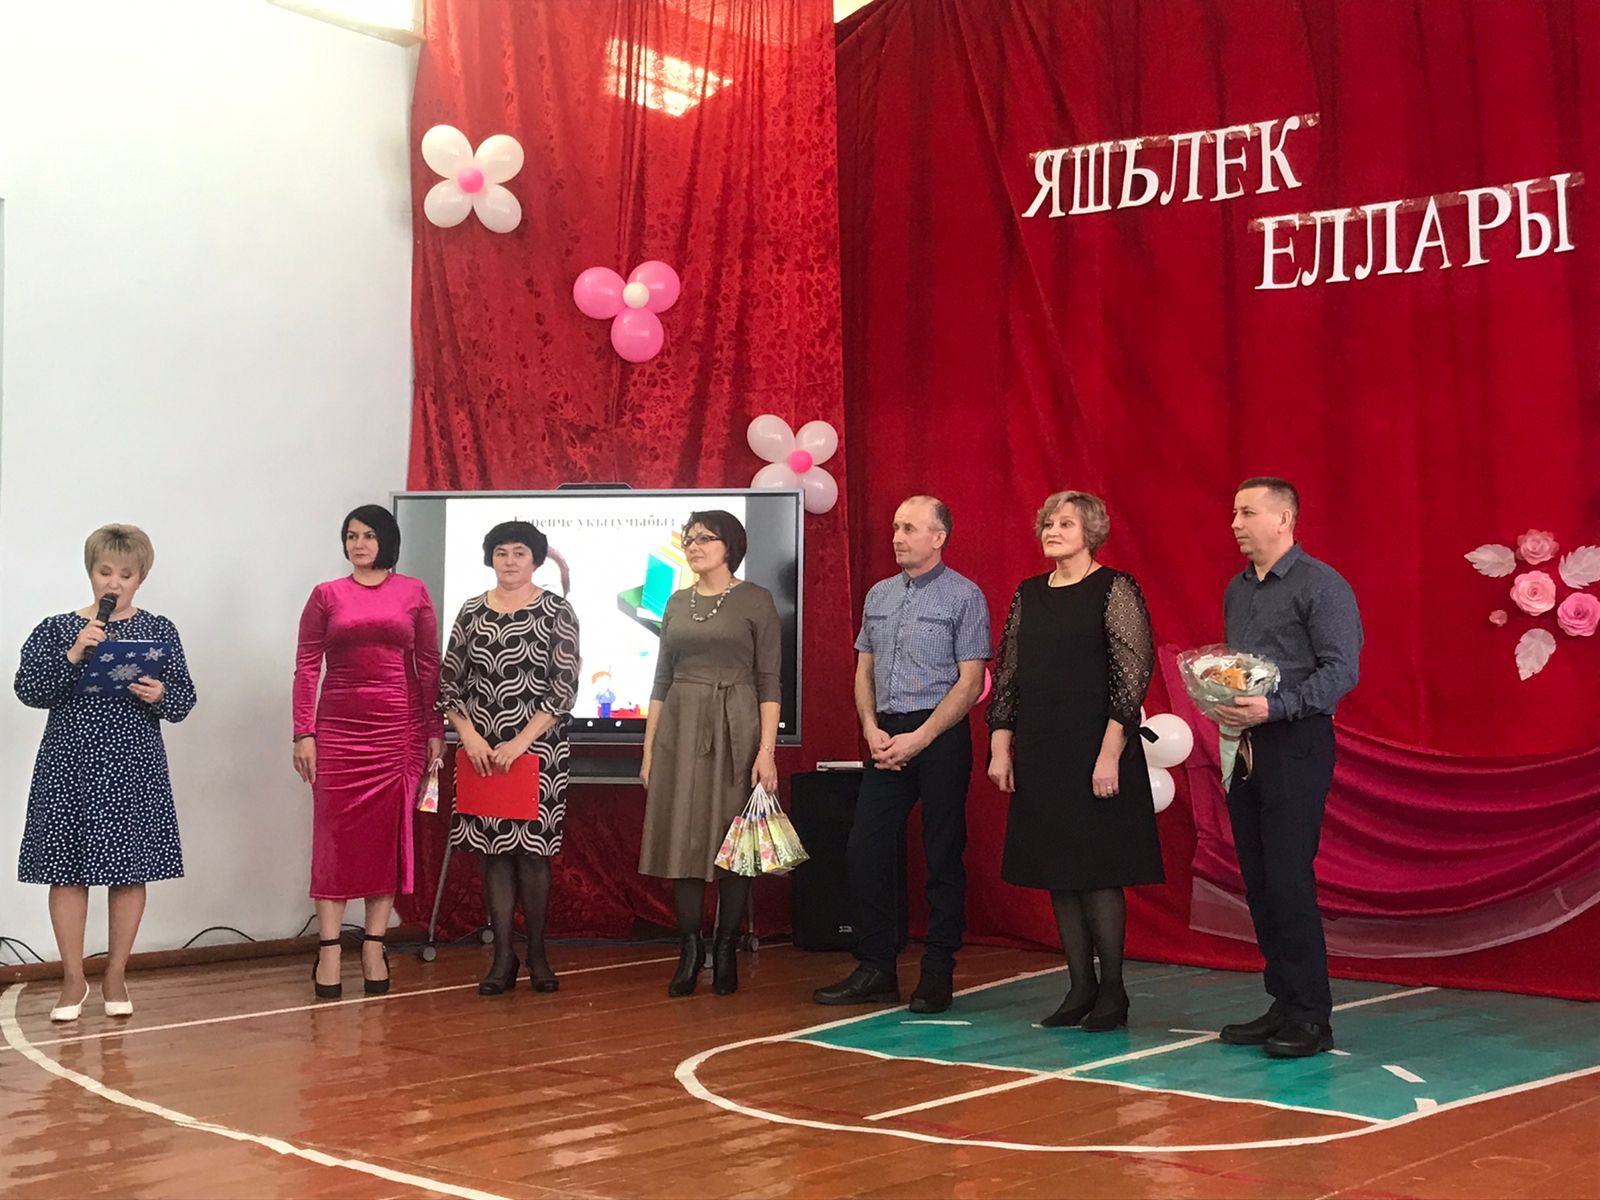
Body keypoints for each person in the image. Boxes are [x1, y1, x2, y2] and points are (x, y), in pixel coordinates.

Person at [986, 491, 1163, 1031]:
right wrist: (1000, 745)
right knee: (1058, 872)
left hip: (1097, 748)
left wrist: (1109, 755)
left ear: (1091, 533)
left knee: (1098, 872)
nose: (1053, 531)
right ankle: (1079, 987)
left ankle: (1113, 992)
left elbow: (1132, 678)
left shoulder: (1114, 588)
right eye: (1048, 523)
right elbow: (1008, 676)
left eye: (1066, 523)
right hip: (1042, 750)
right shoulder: (1028, 593)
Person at [14, 524, 197, 1021]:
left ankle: (116, 973)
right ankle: (72, 979)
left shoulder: (159, 631)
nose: (113, 583)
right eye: (104, 572)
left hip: (132, 763)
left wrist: (161, 695)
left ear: (141, 578)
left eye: (126, 574)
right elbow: (29, 690)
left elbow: (184, 699)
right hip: (69, 762)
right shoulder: (56, 629)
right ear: (90, 572)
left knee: (129, 869)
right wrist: (75, 652)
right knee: (66, 870)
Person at [814, 496, 990, 1014]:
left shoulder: (965, 596)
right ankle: (876, 967)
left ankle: (937, 971)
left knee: (942, 854)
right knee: (864, 850)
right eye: (895, 527)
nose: (897, 537)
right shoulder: (879, 594)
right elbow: (864, 669)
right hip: (886, 735)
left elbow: (971, 681)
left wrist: (921, 738)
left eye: (910, 528)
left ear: (939, 537)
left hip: (939, 734)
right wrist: (870, 729)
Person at [1215, 477, 1362, 1058]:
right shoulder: (1238, 589)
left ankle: (1311, 1016)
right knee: (1258, 880)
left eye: (1247, 512)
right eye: (1234, 512)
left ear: (1284, 519)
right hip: (1246, 744)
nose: (1235, 523)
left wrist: (1276, 707)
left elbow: (1341, 670)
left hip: (1296, 742)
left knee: (1288, 879)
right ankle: (1282, 1000)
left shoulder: (1321, 585)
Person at [293, 505, 442, 1000]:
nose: (358, 544)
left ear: (387, 541)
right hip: (337, 732)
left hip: (398, 733)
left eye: (368, 535)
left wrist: (434, 730)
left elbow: (428, 665)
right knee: (333, 842)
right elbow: (307, 666)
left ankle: (375, 946)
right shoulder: (326, 595)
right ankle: (330, 949)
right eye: (351, 536)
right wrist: (303, 732)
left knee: (386, 839)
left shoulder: (414, 592)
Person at [639, 510, 781, 998]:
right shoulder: (675, 601)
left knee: (732, 842)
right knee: (682, 838)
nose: (694, 546)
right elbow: (661, 679)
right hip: (679, 727)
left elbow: (769, 681)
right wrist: (649, 749)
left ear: (730, 546)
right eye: (689, 538)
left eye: (705, 538)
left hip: (736, 725)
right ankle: (689, 950)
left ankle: (725, 948)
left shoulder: (756, 599)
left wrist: (766, 751)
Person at [439, 520, 580, 996]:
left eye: (520, 552)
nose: (510, 560)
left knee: (533, 856)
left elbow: (563, 687)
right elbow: (449, 684)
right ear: (490, 559)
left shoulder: (557, 610)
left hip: (537, 751)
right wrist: (468, 735)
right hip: (480, 751)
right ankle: (503, 956)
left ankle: (537, 953)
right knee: (494, 856)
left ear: (536, 559)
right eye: (501, 552)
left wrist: (521, 742)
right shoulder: (471, 610)